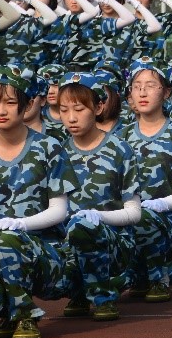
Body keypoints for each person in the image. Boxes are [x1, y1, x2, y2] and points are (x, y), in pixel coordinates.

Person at [0, 66, 77, 338]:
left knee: (4, 239)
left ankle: (24, 314)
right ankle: (8, 309)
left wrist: (22, 224)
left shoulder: (48, 147)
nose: (1, 110)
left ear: (26, 105)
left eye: (10, 102)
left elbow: (60, 210)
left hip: (48, 255)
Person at [57, 72, 142, 322]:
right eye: (63, 110)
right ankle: (77, 291)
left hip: (112, 242)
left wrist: (97, 217)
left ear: (99, 107)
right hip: (67, 242)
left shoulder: (119, 149)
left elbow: (134, 212)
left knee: (85, 228)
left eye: (79, 109)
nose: (71, 117)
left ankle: (103, 295)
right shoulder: (56, 153)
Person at [118, 57, 172, 302]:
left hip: (171, 223)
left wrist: (162, 204)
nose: (142, 91)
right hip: (128, 221)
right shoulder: (121, 136)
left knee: (145, 218)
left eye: (151, 85)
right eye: (136, 85)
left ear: (166, 92)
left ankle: (158, 278)